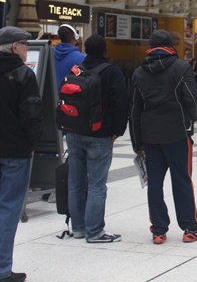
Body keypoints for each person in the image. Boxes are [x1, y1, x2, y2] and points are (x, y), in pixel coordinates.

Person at [129, 30, 197, 245]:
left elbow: (134, 110)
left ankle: (159, 231)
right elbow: (192, 99)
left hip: (150, 136)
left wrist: (137, 142)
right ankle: (190, 228)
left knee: (154, 183)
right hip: (178, 134)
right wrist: (192, 119)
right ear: (171, 45)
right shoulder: (181, 68)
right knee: (182, 180)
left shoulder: (138, 74)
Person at [67, 34, 128, 243]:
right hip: (99, 134)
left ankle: (78, 228)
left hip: (74, 132)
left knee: (75, 183)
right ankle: (95, 231)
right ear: (105, 51)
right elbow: (121, 104)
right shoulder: (112, 72)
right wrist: (117, 132)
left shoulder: (76, 69)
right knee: (96, 185)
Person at [0, 26, 43, 282]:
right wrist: (33, 141)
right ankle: (3, 270)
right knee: (8, 209)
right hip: (15, 151)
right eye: (26, 44)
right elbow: (31, 115)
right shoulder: (23, 74)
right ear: (15, 47)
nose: (28, 49)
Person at [54, 24, 85, 91]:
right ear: (75, 37)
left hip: (51, 97)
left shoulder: (50, 54)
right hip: (70, 98)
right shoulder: (80, 58)